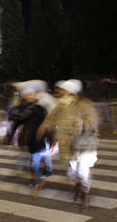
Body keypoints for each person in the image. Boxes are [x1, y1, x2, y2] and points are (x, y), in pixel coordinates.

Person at [38, 79, 99, 211]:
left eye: (64, 89)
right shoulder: (60, 104)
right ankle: (79, 185)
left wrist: (81, 124)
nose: (60, 92)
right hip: (66, 143)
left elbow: (92, 121)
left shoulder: (85, 104)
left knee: (83, 170)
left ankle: (84, 195)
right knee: (71, 170)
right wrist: (44, 126)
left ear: (71, 91)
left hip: (83, 144)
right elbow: (51, 117)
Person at [8, 82, 52, 199]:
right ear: (25, 96)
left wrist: (51, 138)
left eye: (33, 94)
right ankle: (40, 178)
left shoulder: (40, 109)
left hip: (39, 138)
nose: (33, 96)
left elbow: (47, 123)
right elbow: (16, 124)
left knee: (35, 163)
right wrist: (10, 137)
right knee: (33, 162)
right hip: (29, 139)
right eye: (30, 94)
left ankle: (37, 183)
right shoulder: (21, 111)